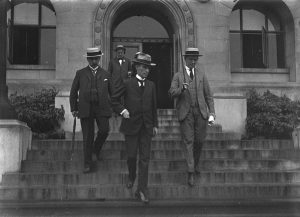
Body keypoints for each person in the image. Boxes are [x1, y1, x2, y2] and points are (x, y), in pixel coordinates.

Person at [112, 52, 158, 204]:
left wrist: (155, 124)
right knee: (132, 156)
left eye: (148, 68)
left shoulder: (151, 85)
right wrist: (122, 110)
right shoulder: (127, 83)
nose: (146, 70)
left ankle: (141, 190)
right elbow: (114, 100)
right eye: (144, 67)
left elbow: (153, 107)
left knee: (144, 160)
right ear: (137, 67)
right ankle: (132, 176)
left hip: (146, 127)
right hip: (131, 126)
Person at [69, 47, 122, 173]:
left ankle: (95, 150)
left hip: (102, 108)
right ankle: (87, 164)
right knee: (88, 136)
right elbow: (73, 92)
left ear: (99, 59)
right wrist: (74, 108)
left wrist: (116, 107)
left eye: (96, 58)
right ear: (88, 59)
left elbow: (113, 93)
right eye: (92, 59)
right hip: (86, 108)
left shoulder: (106, 74)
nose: (94, 61)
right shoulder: (80, 73)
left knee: (104, 130)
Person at [169, 47, 216, 187]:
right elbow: (171, 92)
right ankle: (190, 172)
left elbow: (209, 95)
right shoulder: (178, 76)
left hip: (201, 112)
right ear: (185, 59)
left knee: (200, 140)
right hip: (186, 113)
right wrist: (181, 89)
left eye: (195, 59)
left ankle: (194, 164)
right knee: (189, 141)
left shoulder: (202, 75)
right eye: (191, 59)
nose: (193, 61)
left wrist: (212, 113)